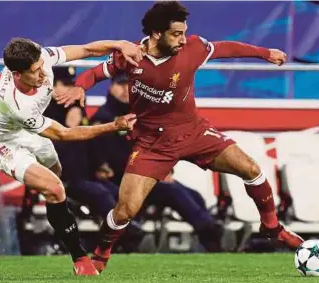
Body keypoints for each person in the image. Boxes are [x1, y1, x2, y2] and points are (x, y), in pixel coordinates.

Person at [57, 1, 304, 273]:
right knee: (125, 210)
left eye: (184, 32)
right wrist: (80, 87)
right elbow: (95, 73)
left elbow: (226, 48)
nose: (182, 39)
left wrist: (265, 53)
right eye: (176, 33)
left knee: (252, 169)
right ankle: (101, 255)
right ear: (155, 34)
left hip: (194, 132)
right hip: (152, 145)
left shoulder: (193, 48)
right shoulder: (130, 55)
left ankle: (272, 227)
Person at [0, 37, 143, 276]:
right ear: (17, 74)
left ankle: (63, 211)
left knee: (58, 178)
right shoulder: (15, 104)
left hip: (21, 130)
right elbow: (64, 134)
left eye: (42, 65)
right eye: (34, 71)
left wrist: (119, 44)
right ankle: (80, 258)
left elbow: (85, 49)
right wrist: (113, 126)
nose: (43, 73)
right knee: (55, 188)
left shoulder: (42, 59)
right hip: (2, 143)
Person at [87, 73, 226, 252]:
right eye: (120, 85)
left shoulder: (142, 116)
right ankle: (210, 232)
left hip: (144, 175)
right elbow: (110, 158)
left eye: (128, 85)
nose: (124, 90)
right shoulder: (104, 119)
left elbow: (159, 145)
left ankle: (210, 238)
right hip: (123, 180)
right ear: (111, 87)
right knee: (173, 191)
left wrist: (165, 170)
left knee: (193, 195)